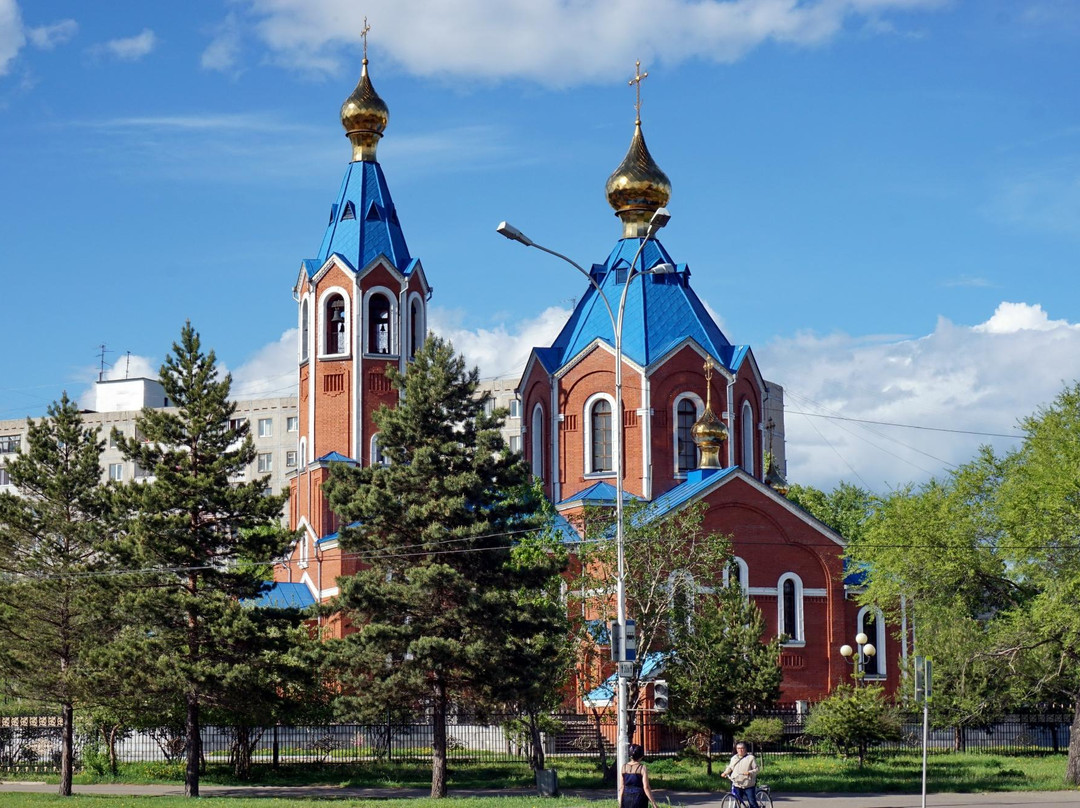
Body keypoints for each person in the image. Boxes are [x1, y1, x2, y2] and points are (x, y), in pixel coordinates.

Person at [720, 741, 759, 807]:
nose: (740, 750)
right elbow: (730, 767)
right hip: (737, 784)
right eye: (738, 748)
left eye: (742, 748)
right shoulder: (734, 758)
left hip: (748, 785)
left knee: (752, 803)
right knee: (736, 803)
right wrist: (725, 773)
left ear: (745, 749)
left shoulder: (751, 758)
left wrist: (749, 772)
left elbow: (757, 769)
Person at [619, 744, 658, 808]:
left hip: (626, 797)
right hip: (639, 798)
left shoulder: (624, 767)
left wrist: (620, 803)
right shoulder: (642, 768)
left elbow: (622, 787)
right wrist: (653, 803)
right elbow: (646, 787)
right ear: (641, 756)